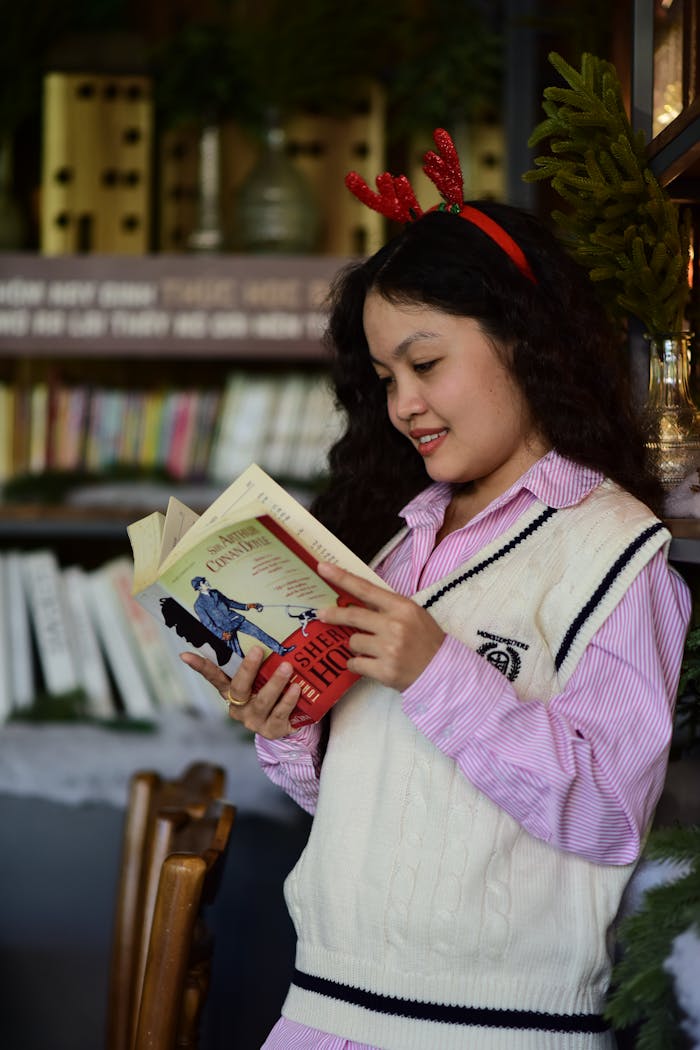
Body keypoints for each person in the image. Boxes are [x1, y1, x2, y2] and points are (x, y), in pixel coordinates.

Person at [180, 129, 692, 1049]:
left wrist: (435, 671)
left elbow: (613, 813)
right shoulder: (400, 539)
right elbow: (377, 796)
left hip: (488, 1026)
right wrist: (290, 723)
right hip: (324, 1003)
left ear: (523, 341)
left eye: (426, 364)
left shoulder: (617, 551)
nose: (404, 403)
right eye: (383, 379)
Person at [190, 576, 295, 658]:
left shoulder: (215, 592)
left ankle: (280, 650)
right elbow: (207, 624)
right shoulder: (198, 605)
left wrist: (248, 606)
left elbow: (229, 603)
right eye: (204, 582)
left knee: (258, 632)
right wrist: (221, 635)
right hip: (224, 630)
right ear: (199, 587)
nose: (207, 582)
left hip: (235, 619)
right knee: (237, 653)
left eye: (205, 580)